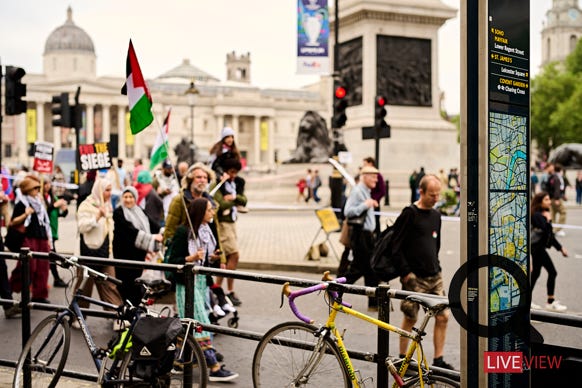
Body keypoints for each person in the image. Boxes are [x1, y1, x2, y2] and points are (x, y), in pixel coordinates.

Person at [166, 198, 238, 382]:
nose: (212, 212)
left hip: (201, 283)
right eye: (209, 210)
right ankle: (213, 367)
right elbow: (172, 261)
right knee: (200, 323)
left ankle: (179, 361)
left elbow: (203, 261)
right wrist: (190, 257)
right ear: (200, 212)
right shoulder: (184, 231)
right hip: (186, 284)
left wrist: (211, 258)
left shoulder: (206, 231)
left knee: (189, 324)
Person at [391, 174, 454, 370]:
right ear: (421, 192)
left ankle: (438, 360)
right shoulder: (409, 213)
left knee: (443, 317)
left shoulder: (436, 215)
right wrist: (406, 273)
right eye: (432, 195)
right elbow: (395, 245)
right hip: (414, 277)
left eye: (438, 195)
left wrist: (436, 265)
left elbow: (436, 244)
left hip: (434, 275)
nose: (436, 199)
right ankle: (404, 359)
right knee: (411, 317)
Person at [75, 177, 123, 327]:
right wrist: (97, 216)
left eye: (110, 190)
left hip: (105, 253)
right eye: (107, 190)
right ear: (99, 191)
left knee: (110, 285)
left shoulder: (107, 205)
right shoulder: (86, 205)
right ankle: (78, 317)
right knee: (83, 288)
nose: (109, 193)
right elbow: (82, 227)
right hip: (87, 253)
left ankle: (117, 317)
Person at [113, 186, 163, 306]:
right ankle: (127, 311)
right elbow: (130, 230)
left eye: (131, 197)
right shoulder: (119, 212)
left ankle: (135, 311)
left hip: (138, 254)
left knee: (137, 283)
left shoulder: (140, 210)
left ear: (135, 198)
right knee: (126, 284)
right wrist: (151, 238)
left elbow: (152, 224)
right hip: (123, 254)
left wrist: (162, 231)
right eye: (125, 197)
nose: (128, 200)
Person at [9, 175, 52, 304]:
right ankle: (12, 289)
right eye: (34, 188)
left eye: (38, 188)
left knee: (43, 268)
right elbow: (12, 222)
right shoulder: (22, 203)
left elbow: (45, 221)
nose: (37, 191)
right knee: (28, 268)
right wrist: (26, 214)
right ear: (27, 190)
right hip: (28, 238)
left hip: (42, 238)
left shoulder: (39, 203)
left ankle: (39, 295)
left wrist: (48, 239)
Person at [343, 166, 380, 310]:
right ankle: (335, 288)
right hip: (360, 236)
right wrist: (366, 205)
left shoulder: (366, 191)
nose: (376, 179)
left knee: (362, 269)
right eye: (373, 176)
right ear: (364, 176)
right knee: (366, 269)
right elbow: (348, 211)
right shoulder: (358, 191)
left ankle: (335, 288)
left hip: (367, 236)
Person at [212, 158, 247, 306]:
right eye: (231, 172)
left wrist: (234, 197)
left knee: (225, 258)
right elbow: (221, 203)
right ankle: (230, 291)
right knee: (234, 255)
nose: (233, 175)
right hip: (223, 224)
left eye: (235, 172)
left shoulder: (234, 184)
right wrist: (234, 201)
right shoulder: (219, 185)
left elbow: (244, 199)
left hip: (232, 222)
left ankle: (217, 289)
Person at [530, 192, 568, 312]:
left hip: (538, 248)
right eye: (546, 199)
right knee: (552, 272)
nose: (549, 202)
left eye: (549, 199)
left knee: (536, 274)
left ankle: (527, 300)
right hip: (537, 249)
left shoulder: (541, 214)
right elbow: (547, 232)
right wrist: (549, 220)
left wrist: (560, 248)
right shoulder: (537, 215)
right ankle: (550, 302)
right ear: (540, 201)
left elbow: (550, 236)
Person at [42, 177, 69, 288]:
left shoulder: (53, 197)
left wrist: (65, 209)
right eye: (45, 183)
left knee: (51, 257)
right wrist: (54, 206)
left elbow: (60, 214)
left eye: (48, 183)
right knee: (51, 256)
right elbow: (43, 212)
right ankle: (56, 279)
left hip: (53, 231)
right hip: (44, 232)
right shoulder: (40, 198)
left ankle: (56, 279)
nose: (47, 186)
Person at [362, 157, 386, 237]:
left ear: (370, 163)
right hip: (367, 203)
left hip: (374, 204)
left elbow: (382, 191)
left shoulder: (378, 175)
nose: (364, 166)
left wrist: (374, 199)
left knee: (376, 223)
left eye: (365, 164)